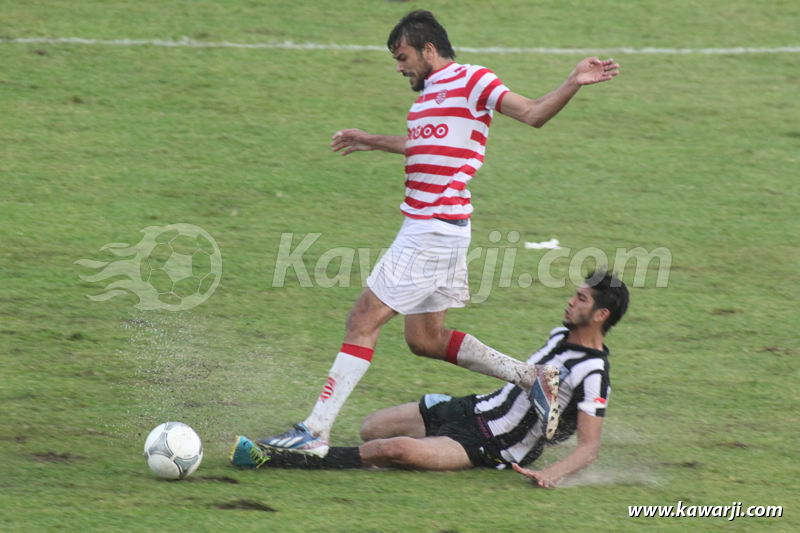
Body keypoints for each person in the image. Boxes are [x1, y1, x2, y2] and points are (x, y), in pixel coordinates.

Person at [259, 10, 620, 457]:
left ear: (429, 50)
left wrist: (572, 82)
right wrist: (372, 140)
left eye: (403, 56)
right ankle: (532, 378)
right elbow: (424, 145)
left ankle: (315, 429)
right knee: (424, 340)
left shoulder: (473, 81)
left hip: (432, 229)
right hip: (437, 228)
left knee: (362, 321)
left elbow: (531, 113)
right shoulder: (427, 98)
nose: (400, 67)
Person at [234, 272, 628, 488]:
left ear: (600, 317)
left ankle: (282, 459)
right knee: (372, 428)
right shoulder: (560, 336)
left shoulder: (594, 374)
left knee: (394, 450)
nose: (570, 301)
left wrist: (550, 474)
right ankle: (431, 450)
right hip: (471, 407)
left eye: (581, 299)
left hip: (492, 445)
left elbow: (589, 447)